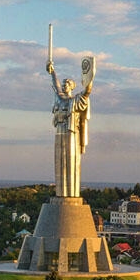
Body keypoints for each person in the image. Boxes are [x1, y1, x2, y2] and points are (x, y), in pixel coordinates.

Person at [47, 58, 94, 198]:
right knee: (59, 161)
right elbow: (55, 86)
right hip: (59, 133)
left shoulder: (75, 100)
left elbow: (87, 92)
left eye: (66, 84)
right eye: (63, 84)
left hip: (71, 134)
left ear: (72, 86)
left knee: (71, 162)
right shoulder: (59, 99)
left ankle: (71, 194)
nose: (63, 86)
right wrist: (52, 71)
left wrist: (89, 78)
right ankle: (60, 194)